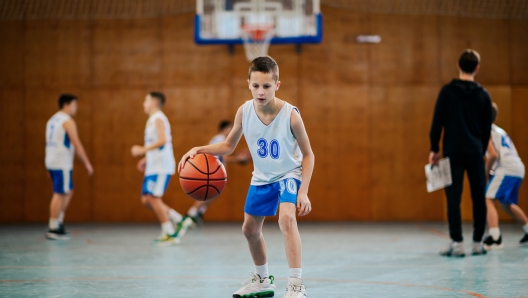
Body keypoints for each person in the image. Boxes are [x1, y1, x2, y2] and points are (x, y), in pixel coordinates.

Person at [179, 56, 314, 298]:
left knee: (286, 220)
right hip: (261, 177)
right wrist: (198, 149)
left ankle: (296, 285)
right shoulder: (244, 110)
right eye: (255, 86)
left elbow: (308, 155)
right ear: (248, 84)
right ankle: (262, 280)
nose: (260, 92)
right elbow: (229, 146)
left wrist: (303, 190)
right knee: (249, 230)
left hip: (287, 174)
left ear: (277, 85)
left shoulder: (291, 115)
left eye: (266, 86)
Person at [429, 49, 493, 257]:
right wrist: (480, 150)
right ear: (477, 68)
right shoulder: (483, 95)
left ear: (458, 65)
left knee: (453, 198)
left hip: (453, 151)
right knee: (478, 198)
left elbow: (437, 123)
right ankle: (477, 243)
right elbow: (486, 129)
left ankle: (457, 244)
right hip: (475, 152)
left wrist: (434, 149)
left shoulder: (447, 92)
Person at [131, 92, 192, 247]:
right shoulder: (152, 119)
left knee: (153, 198)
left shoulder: (158, 118)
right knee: (146, 199)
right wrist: (147, 158)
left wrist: (142, 150)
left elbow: (163, 140)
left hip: (161, 166)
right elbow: (157, 143)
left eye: (146, 100)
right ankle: (179, 219)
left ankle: (170, 232)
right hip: (153, 165)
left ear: (154, 102)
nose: (144, 103)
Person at [45, 94, 93, 240]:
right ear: (66, 105)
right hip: (61, 161)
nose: (76, 108)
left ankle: (58, 222)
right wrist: (86, 162)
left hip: (52, 160)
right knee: (59, 193)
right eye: (74, 105)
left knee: (68, 190)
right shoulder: (67, 121)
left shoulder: (52, 119)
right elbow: (76, 143)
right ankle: (53, 227)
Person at [186, 120, 251, 225]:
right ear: (224, 129)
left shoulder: (219, 139)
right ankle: (191, 214)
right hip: (212, 169)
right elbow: (224, 158)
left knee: (215, 193)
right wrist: (238, 158)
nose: (231, 131)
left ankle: (199, 212)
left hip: (213, 169)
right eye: (230, 129)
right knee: (210, 193)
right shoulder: (220, 139)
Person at [483, 103, 528, 249]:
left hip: (507, 168)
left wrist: (486, 173)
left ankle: (495, 238)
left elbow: (493, 156)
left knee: (488, 198)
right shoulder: (500, 131)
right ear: (495, 117)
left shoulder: (486, 131)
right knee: (505, 203)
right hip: (518, 168)